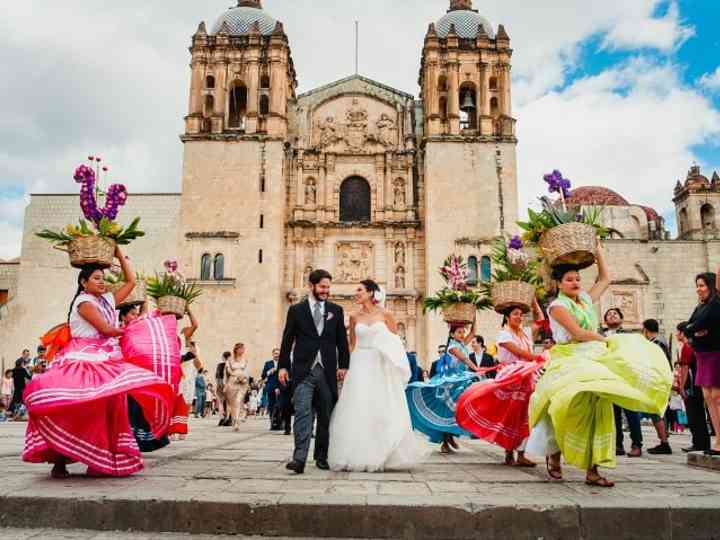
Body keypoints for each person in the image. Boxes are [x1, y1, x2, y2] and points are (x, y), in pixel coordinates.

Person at [526, 246, 672, 487]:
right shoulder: (557, 307)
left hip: (593, 356)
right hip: (569, 356)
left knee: (599, 409)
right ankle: (554, 454)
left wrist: (599, 252)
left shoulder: (583, 300)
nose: (575, 283)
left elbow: (605, 279)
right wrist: (605, 340)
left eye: (578, 278)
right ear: (559, 284)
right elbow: (578, 333)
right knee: (565, 405)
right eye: (569, 279)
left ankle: (593, 470)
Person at [22, 248, 175, 478]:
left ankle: (98, 459)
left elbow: (132, 281)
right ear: (84, 282)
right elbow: (106, 330)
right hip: (82, 358)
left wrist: (119, 254)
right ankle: (60, 460)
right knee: (77, 408)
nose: (102, 282)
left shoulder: (105, 300)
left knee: (107, 407)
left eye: (103, 278)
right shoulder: (84, 303)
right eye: (96, 278)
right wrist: (131, 330)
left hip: (104, 358)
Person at [328, 280, 427, 471]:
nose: (355, 293)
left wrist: (395, 364)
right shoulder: (354, 316)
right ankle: (357, 453)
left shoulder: (386, 314)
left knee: (380, 405)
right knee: (359, 405)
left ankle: (385, 452)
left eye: (359, 290)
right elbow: (352, 345)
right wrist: (344, 366)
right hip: (359, 363)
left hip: (380, 364)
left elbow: (395, 342)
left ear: (371, 293)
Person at [457, 299, 546, 467]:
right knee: (510, 415)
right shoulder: (503, 335)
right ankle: (508, 451)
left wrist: (533, 301)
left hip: (527, 377)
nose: (519, 317)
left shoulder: (525, 332)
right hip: (511, 377)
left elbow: (540, 320)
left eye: (521, 314)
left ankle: (521, 453)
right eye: (515, 314)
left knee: (525, 415)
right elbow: (519, 352)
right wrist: (541, 357)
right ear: (507, 317)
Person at [279, 269, 350, 475]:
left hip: (327, 372)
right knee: (302, 413)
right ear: (311, 286)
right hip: (303, 370)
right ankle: (299, 458)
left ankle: (321, 457)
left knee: (326, 417)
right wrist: (283, 366)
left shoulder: (336, 310)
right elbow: (287, 340)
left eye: (328, 287)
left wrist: (344, 365)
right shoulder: (296, 310)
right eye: (322, 287)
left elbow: (341, 342)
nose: (326, 291)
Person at [406, 319, 480, 454]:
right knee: (447, 412)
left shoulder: (461, 343)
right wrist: (476, 368)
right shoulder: (453, 347)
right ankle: (445, 441)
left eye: (463, 332)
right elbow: (464, 358)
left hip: (459, 381)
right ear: (452, 334)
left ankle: (450, 436)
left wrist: (473, 313)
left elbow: (473, 332)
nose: (463, 334)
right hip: (449, 384)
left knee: (455, 412)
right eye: (459, 332)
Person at [683, 271, 720, 456]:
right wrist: (694, 330)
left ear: (712, 285)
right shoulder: (700, 307)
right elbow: (688, 327)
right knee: (708, 398)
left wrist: (694, 329)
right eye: (697, 285)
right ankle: (718, 440)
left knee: (717, 397)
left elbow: (697, 325)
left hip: (715, 353)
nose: (699, 289)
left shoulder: (716, 304)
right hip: (703, 355)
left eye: (702, 285)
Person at [602, 308, 643, 457]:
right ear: (605, 320)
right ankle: (617, 444)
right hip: (608, 377)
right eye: (609, 314)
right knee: (613, 414)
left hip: (625, 377)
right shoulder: (600, 336)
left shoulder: (628, 336)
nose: (612, 315)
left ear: (621, 319)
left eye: (615, 314)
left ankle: (636, 444)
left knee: (631, 412)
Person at [676, 322, 711, 452]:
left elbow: (685, 368)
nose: (676, 334)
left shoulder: (687, 346)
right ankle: (702, 442)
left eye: (677, 332)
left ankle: (698, 443)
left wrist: (682, 386)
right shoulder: (695, 345)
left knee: (693, 415)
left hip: (691, 384)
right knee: (699, 414)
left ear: (682, 333)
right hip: (699, 383)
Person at [642, 319, 673, 455]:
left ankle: (664, 443)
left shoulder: (656, 344)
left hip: (658, 382)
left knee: (656, 412)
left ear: (645, 330)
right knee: (658, 412)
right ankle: (663, 440)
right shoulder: (660, 342)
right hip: (661, 381)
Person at [224, 342, 250, 431]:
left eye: (243, 348)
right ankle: (234, 420)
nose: (243, 350)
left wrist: (243, 377)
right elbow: (227, 373)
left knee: (239, 401)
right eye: (241, 348)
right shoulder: (230, 360)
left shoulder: (245, 360)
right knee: (233, 403)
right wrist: (225, 385)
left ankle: (237, 422)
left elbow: (247, 371)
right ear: (236, 349)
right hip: (232, 382)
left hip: (242, 383)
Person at [261, 348, 281, 430]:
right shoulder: (268, 363)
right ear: (273, 354)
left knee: (280, 406)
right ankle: (272, 423)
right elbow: (263, 375)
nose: (277, 355)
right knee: (271, 406)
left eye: (278, 353)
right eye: (275, 353)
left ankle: (280, 423)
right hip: (270, 387)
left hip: (280, 387)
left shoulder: (283, 363)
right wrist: (269, 371)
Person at [216, 351, 230, 426]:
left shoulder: (220, 365)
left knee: (221, 403)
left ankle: (221, 418)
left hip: (220, 384)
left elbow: (217, 377)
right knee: (228, 403)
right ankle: (227, 419)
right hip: (228, 384)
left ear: (223, 357)